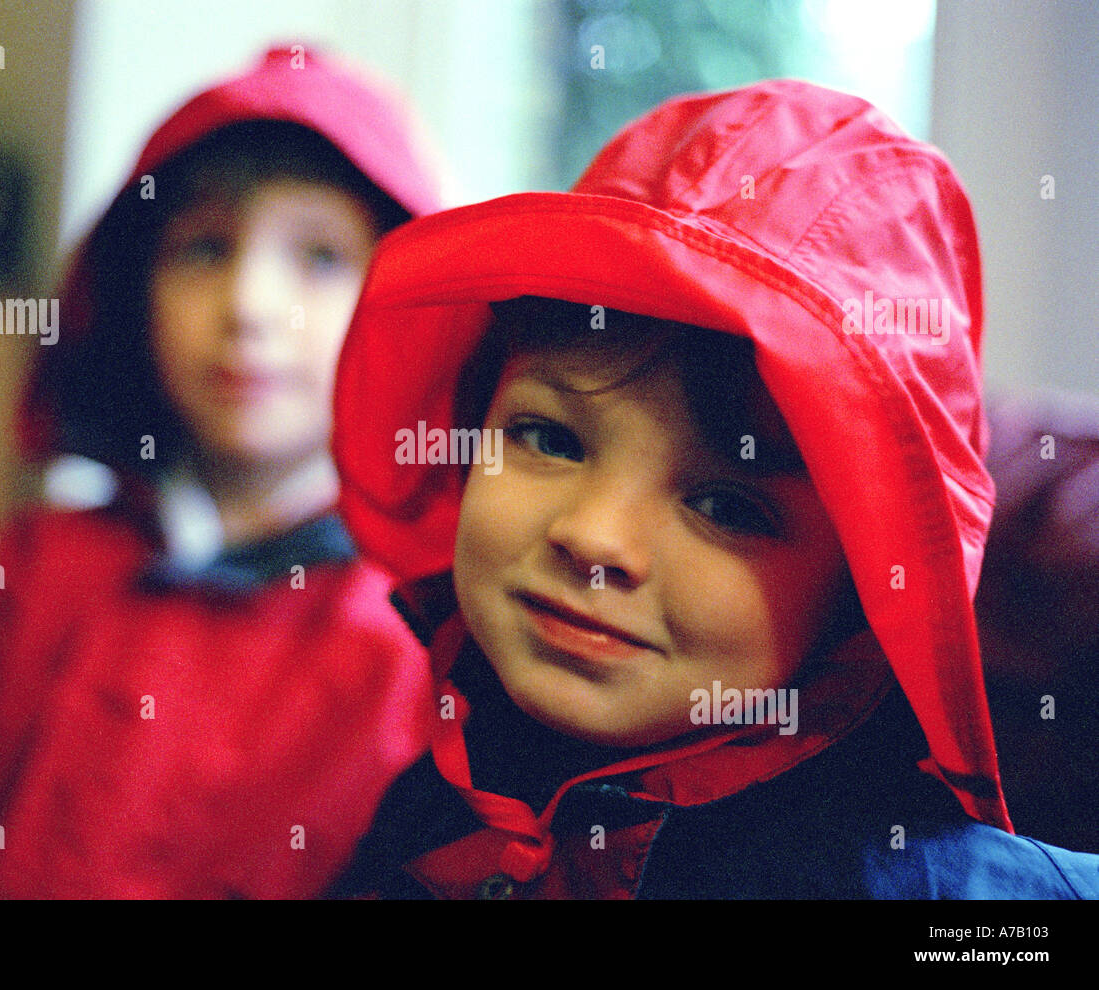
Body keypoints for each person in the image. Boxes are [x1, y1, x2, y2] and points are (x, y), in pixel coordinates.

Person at [325, 79, 1099, 898]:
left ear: (861, 600)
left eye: (726, 507)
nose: (593, 538)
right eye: (550, 438)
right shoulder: (429, 808)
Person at [0, 45, 439, 899]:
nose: (248, 305)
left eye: (320, 258)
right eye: (205, 248)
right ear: (135, 292)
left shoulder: (422, 642)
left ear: (406, 306)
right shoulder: (35, 573)